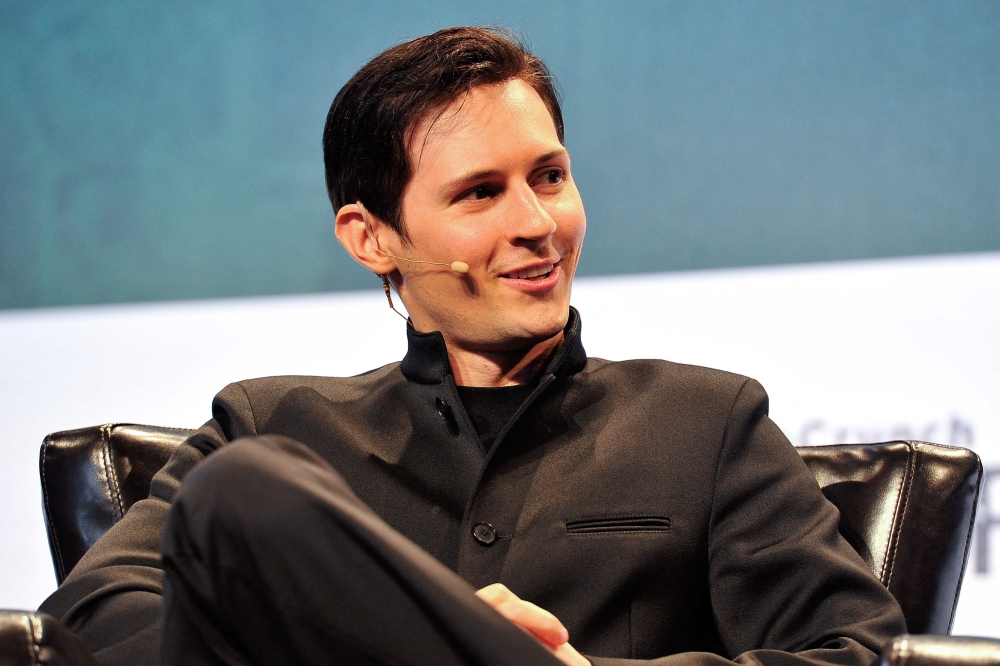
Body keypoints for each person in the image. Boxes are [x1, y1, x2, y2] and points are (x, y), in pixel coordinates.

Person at [39, 26, 906, 666]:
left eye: (550, 177)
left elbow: (855, 652)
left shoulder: (706, 422)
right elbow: (94, 617)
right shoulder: (274, 424)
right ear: (371, 237)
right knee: (243, 492)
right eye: (481, 193)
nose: (538, 225)